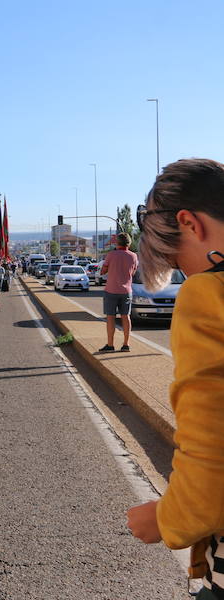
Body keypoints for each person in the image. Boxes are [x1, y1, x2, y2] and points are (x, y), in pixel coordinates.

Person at [124, 158, 224, 598]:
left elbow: (213, 446)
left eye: (175, 257)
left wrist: (167, 519)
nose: (183, 271)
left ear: (189, 224)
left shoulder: (209, 293)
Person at [98, 232, 139, 353]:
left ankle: (110, 344)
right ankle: (126, 344)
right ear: (129, 243)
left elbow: (103, 271)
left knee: (110, 317)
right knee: (126, 317)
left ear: (117, 242)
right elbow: (133, 272)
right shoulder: (134, 256)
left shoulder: (111, 255)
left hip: (111, 290)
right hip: (126, 291)